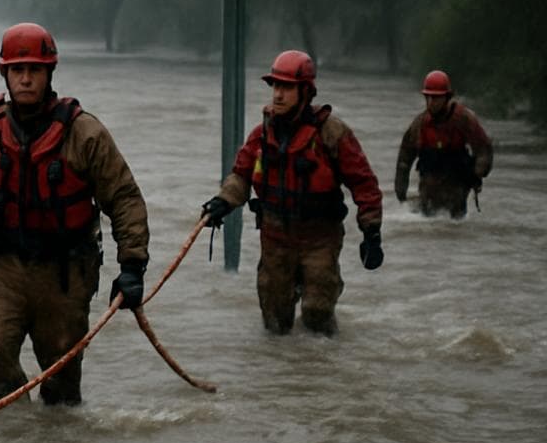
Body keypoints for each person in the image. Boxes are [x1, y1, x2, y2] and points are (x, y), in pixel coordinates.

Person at [0, 22, 149, 407]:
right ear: (6, 74)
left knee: (63, 382)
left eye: (35, 70)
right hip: (0, 267)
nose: (26, 79)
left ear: (50, 73)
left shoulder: (84, 134)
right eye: (18, 70)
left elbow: (124, 197)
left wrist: (132, 265)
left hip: (64, 272)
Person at [201, 50, 384, 335]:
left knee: (317, 314)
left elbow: (364, 184)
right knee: (274, 321)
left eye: (286, 87)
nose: (277, 94)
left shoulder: (332, 133)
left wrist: (372, 233)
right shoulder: (261, 133)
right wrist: (222, 201)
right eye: (275, 86)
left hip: (319, 239)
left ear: (305, 91)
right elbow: (241, 175)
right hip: (275, 239)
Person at [395, 69, 493, 218]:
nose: (430, 102)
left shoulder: (464, 119)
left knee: (455, 222)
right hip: (428, 187)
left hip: (456, 187)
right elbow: (405, 157)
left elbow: (483, 149)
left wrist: (477, 174)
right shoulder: (420, 124)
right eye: (428, 97)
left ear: (447, 97)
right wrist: (401, 190)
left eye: (435, 98)